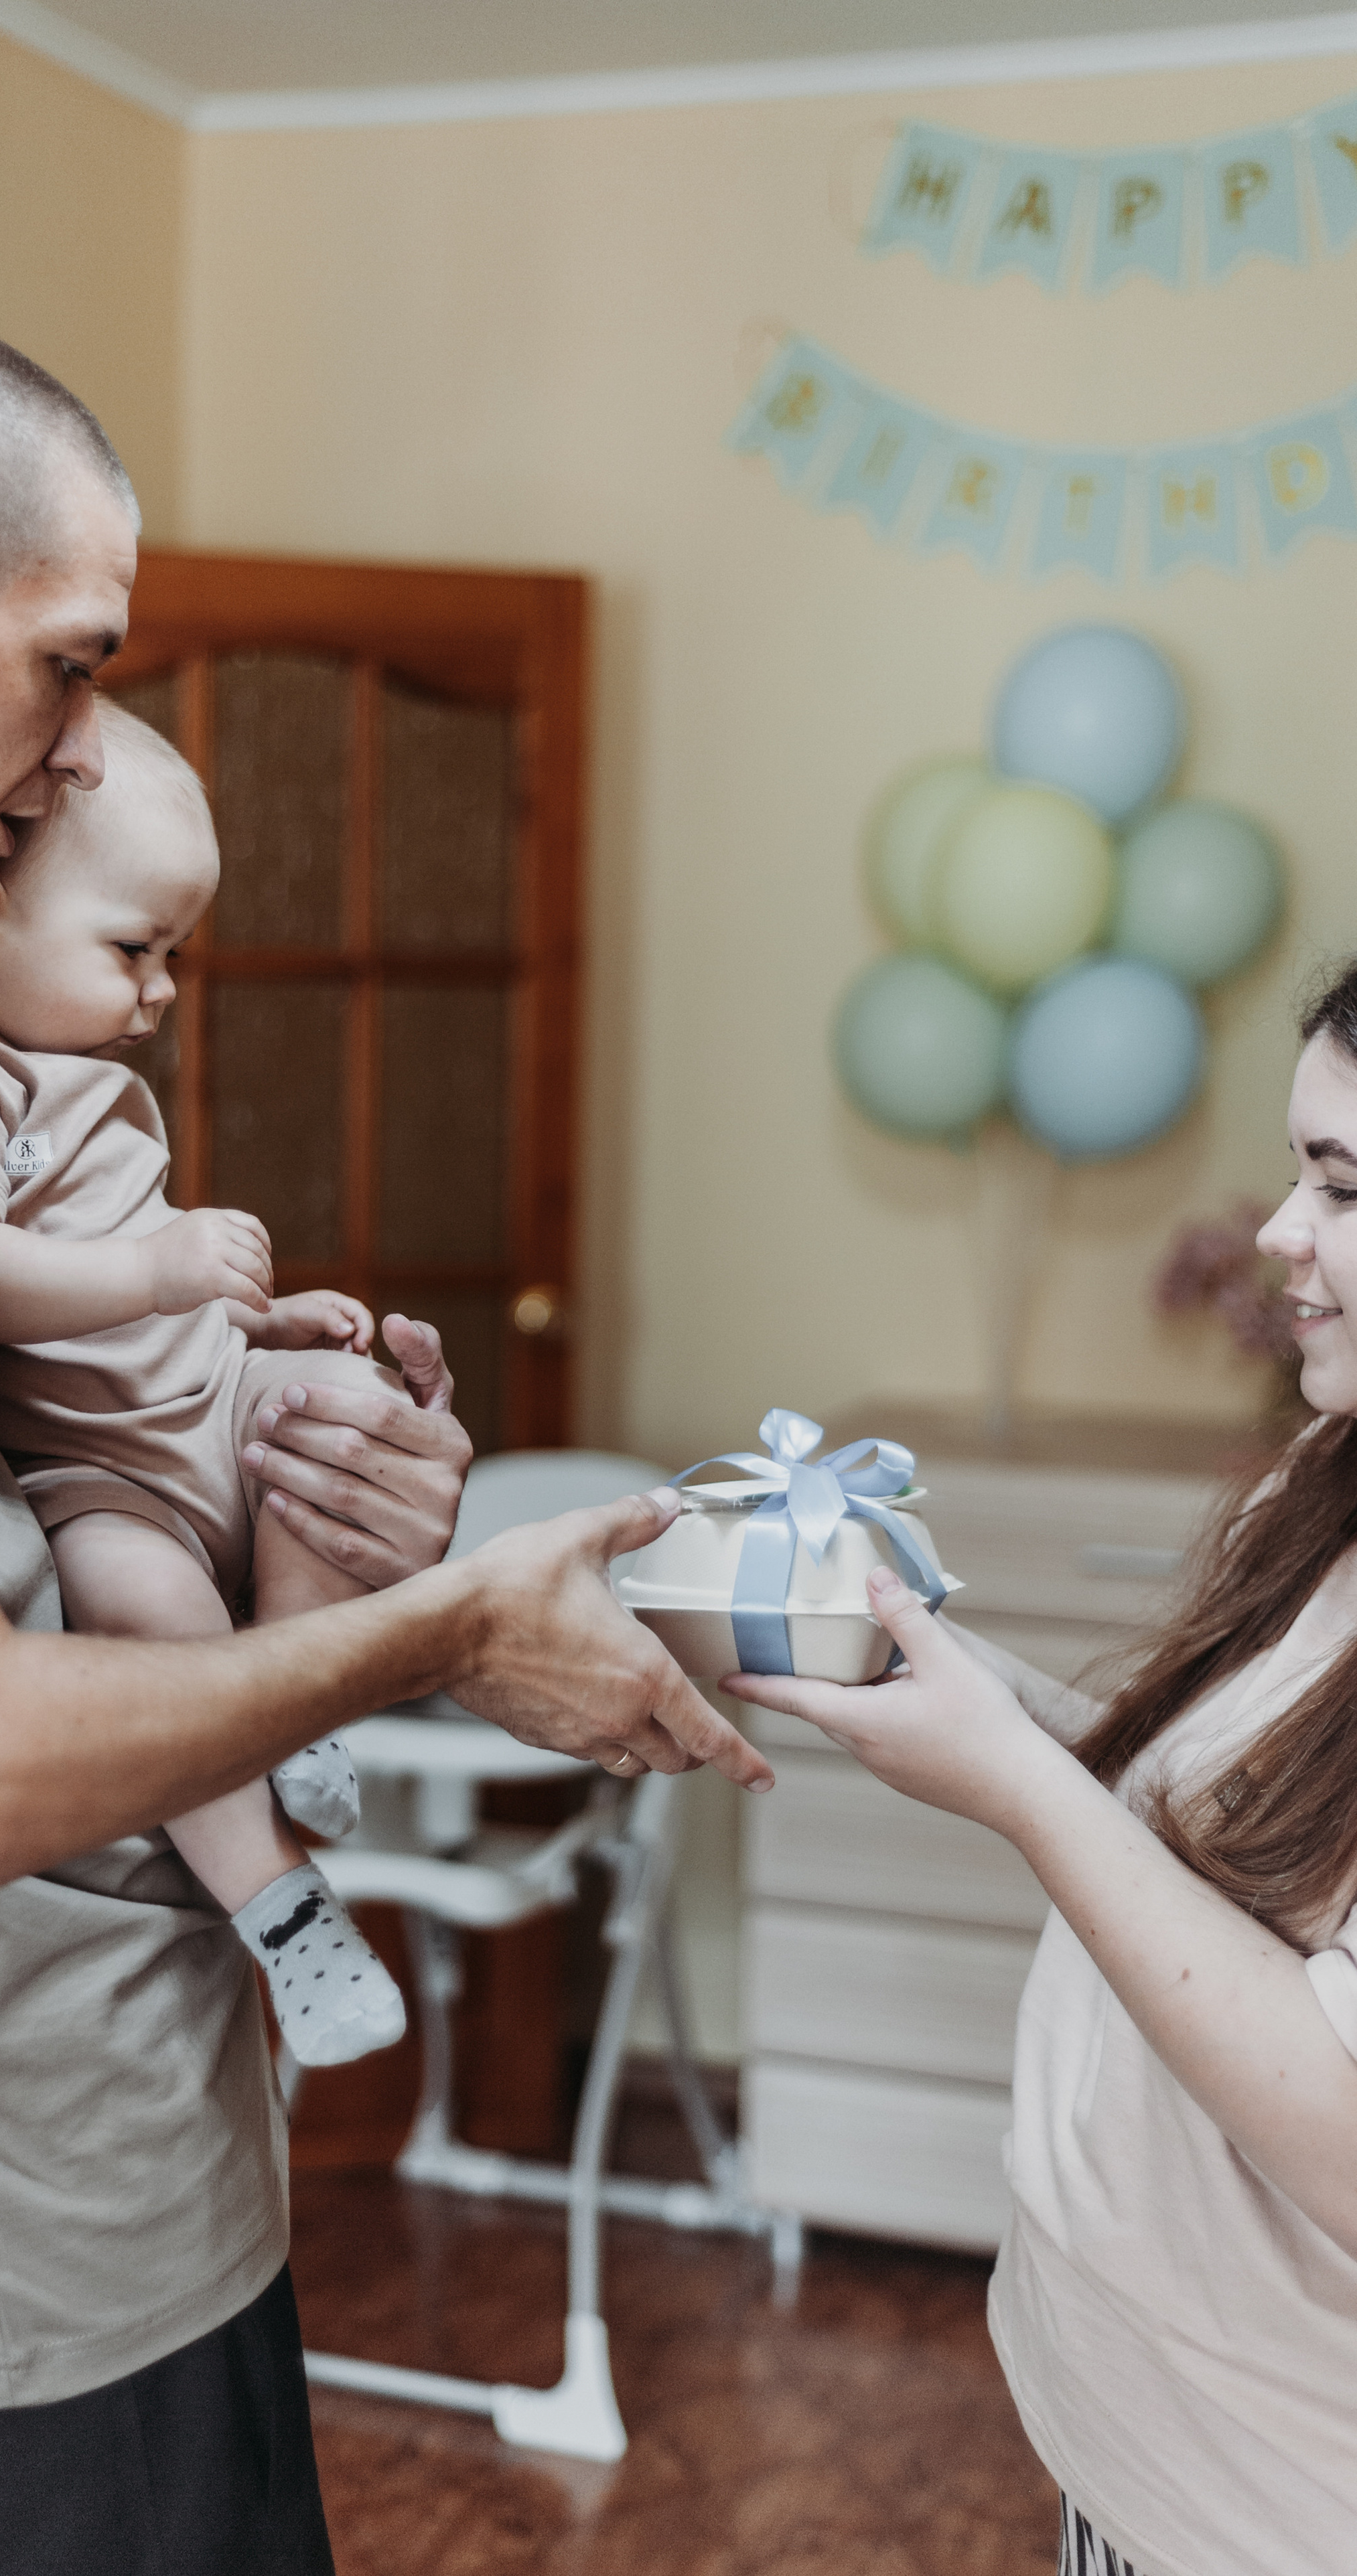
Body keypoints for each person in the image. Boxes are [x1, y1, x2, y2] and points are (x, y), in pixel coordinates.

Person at [0, 309, 772, 2576]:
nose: (80, 750)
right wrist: (454, 1631)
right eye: (67, 666)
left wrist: (283, 1473)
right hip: (20, 2216)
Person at [727, 962, 1357, 2576]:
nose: (1281, 1233)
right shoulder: (1325, 1476)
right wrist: (945, 1681)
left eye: (1340, 1187)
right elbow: (1201, 1821)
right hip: (1126, 2444)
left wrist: (1011, 1782)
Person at [0, 698, 409, 2068]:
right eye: (133, 950)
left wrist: (261, 1320)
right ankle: (285, 1912)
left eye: (173, 955)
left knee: (345, 1406)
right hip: (101, 1473)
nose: (162, 991)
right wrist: (157, 1271)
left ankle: (290, 1693)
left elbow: (148, 1292)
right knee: (143, 1605)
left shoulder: (91, 1078)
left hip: (203, 1405)